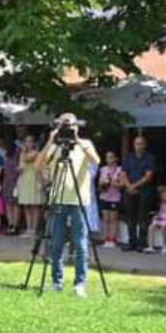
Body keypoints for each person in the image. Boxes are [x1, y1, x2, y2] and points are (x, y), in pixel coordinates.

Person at [39, 115, 100, 294]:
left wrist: (78, 141)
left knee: (80, 243)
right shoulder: (56, 146)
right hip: (58, 199)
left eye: (70, 126)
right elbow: (39, 164)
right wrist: (51, 140)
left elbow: (96, 161)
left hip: (78, 201)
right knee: (56, 243)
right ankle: (56, 282)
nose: (67, 129)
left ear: (77, 126)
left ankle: (80, 283)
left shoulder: (86, 143)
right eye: (63, 126)